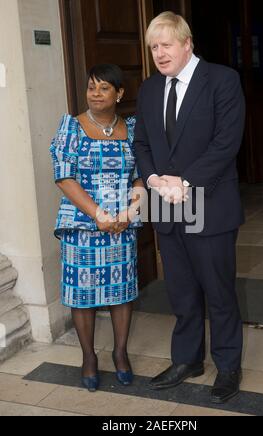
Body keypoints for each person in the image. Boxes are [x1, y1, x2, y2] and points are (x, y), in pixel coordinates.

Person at [134, 12, 245, 404]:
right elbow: (142, 145)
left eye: (165, 45)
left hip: (207, 199)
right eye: (153, 47)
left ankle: (228, 365)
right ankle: (187, 360)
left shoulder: (222, 80)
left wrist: (185, 182)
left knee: (218, 290)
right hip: (165, 201)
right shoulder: (149, 89)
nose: (158, 54)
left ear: (187, 43)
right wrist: (152, 181)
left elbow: (226, 142)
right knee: (180, 290)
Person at [50, 64, 144, 392]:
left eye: (104, 88)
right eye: (92, 87)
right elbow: (64, 176)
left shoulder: (132, 129)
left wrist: (129, 211)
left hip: (121, 223)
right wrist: (98, 214)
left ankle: (120, 353)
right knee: (83, 294)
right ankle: (88, 357)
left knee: (121, 290)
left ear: (119, 94)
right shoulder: (71, 127)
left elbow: (139, 176)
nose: (96, 94)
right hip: (82, 223)